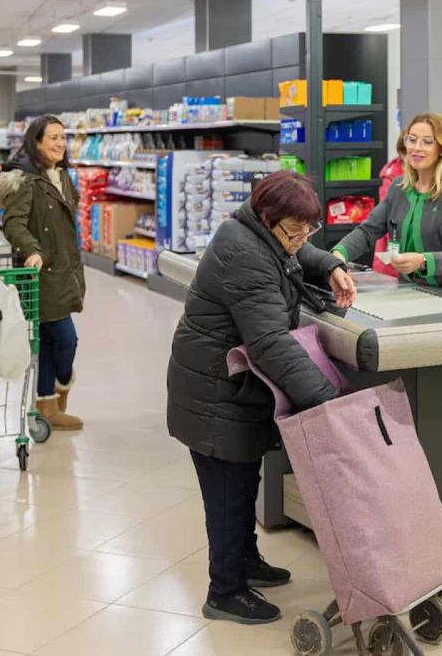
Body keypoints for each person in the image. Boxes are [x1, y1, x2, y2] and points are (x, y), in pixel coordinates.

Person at [166, 170, 356, 625]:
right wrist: (328, 402)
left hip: (229, 388)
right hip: (214, 394)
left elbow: (297, 252)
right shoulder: (246, 255)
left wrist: (330, 265)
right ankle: (225, 591)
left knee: (243, 479)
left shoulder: (255, 230)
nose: (302, 238)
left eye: (309, 228)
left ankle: (246, 561)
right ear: (268, 219)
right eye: (294, 230)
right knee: (228, 494)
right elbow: (270, 343)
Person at [0, 115, 85, 431]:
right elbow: (13, 223)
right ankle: (61, 387)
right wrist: (31, 250)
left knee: (48, 341)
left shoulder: (62, 176)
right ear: (36, 142)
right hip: (41, 274)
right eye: (53, 138)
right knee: (66, 339)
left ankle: (46, 405)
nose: (60, 144)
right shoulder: (27, 180)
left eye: (63, 137)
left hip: (65, 270)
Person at [332, 112, 442, 289]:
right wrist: (338, 255)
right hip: (412, 290)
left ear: (441, 149)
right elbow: (367, 231)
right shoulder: (398, 189)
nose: (417, 147)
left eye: (427, 142)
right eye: (412, 140)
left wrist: (423, 261)